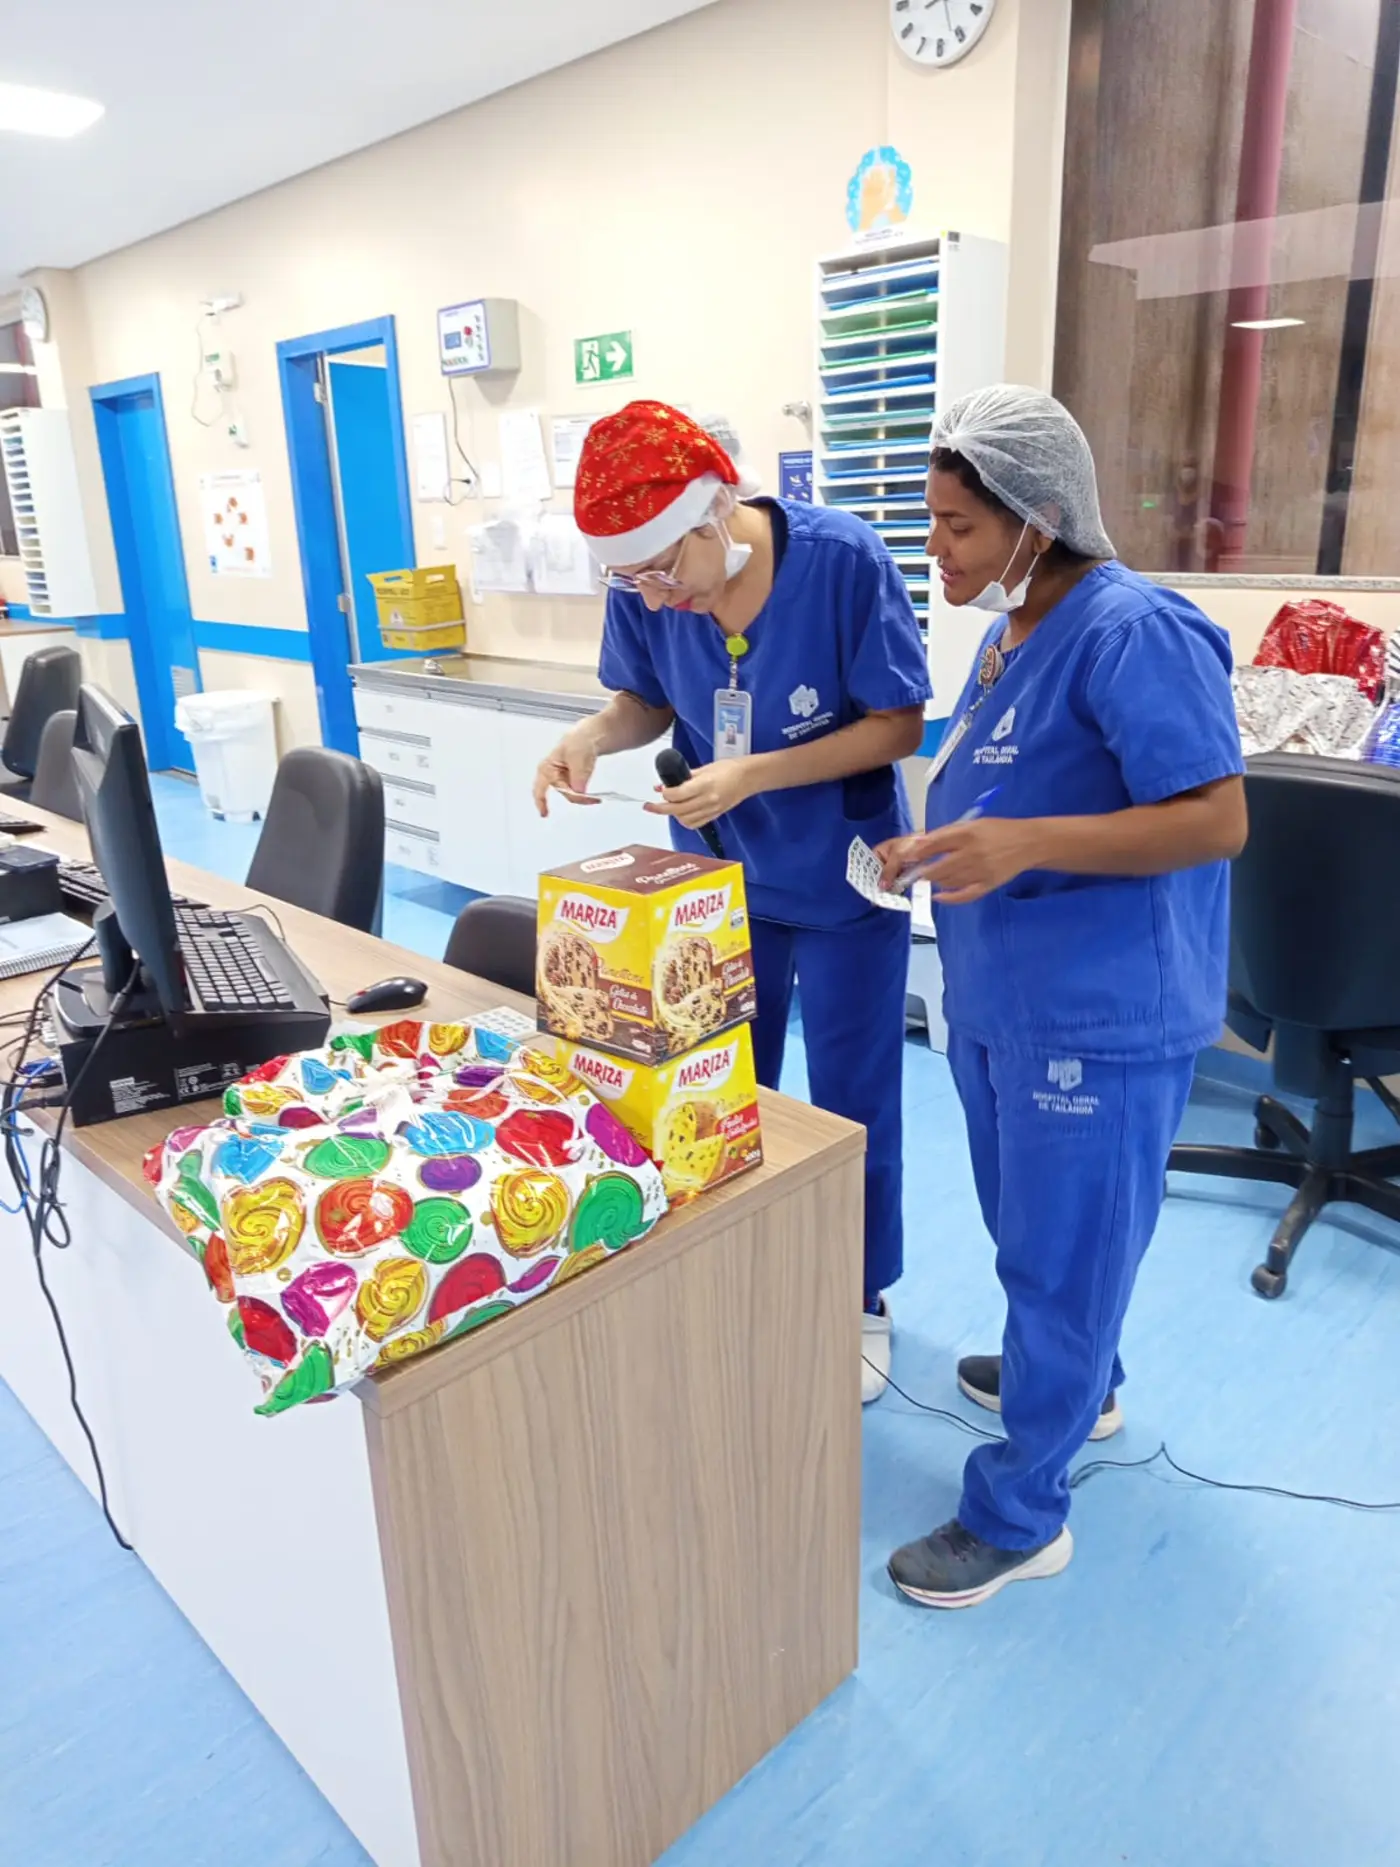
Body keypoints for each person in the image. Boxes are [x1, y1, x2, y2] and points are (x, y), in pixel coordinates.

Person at [875, 386, 1246, 1607]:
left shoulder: (1134, 631)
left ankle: (1020, 1513)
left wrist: (1023, 844)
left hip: (1097, 1017)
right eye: (930, 521)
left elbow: (1213, 818)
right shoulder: (1012, 630)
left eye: (957, 526)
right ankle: (1085, 1384)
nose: (935, 548)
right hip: (1004, 1002)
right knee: (1036, 1236)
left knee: (1060, 1259)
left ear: (1036, 521)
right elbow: (1010, 785)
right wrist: (936, 847)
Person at [532, 400, 932, 1400]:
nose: (653, 595)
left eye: (663, 569)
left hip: (841, 875)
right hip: (715, 886)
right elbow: (645, 699)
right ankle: (737, 1261)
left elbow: (897, 725)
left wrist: (753, 774)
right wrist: (591, 734)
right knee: (714, 1088)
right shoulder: (650, 584)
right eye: (630, 580)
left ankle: (857, 1294)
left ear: (715, 513)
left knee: (851, 1099)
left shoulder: (841, 562)